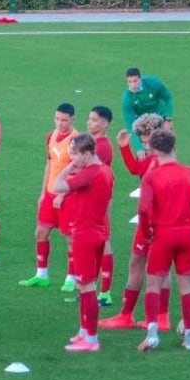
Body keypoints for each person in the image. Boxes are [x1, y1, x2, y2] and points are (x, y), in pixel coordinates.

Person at [136, 130, 190, 352]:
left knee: (153, 284)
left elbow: (143, 210)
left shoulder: (151, 177)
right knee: (187, 287)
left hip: (163, 235)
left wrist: (146, 233)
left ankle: (152, 334)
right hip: (186, 236)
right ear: (174, 147)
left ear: (153, 151)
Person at [100, 114, 170, 331]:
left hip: (159, 224)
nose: (147, 146)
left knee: (161, 269)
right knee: (136, 262)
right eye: (144, 142)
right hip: (146, 223)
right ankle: (127, 315)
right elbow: (135, 169)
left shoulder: (165, 164)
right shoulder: (151, 159)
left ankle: (161, 317)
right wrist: (124, 147)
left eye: (150, 141)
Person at [53, 134, 115, 352]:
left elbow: (57, 186)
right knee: (85, 285)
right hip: (98, 231)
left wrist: (68, 167)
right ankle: (84, 331)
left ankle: (91, 339)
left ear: (88, 153)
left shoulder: (90, 173)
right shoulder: (106, 171)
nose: (72, 158)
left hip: (85, 234)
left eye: (75, 154)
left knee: (86, 286)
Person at [19, 103, 78, 292]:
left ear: (72, 120)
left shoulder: (77, 140)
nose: (60, 123)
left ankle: (71, 278)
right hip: (50, 193)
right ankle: (42, 274)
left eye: (64, 120)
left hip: (67, 196)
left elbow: (77, 171)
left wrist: (62, 194)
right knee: (41, 232)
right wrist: (43, 192)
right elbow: (49, 164)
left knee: (70, 238)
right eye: (57, 119)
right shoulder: (50, 136)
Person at [86, 105, 115, 305]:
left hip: (99, 201)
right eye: (89, 118)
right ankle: (94, 290)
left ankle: (105, 293)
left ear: (104, 124)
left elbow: (94, 173)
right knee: (96, 245)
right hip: (91, 200)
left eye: (94, 120)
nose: (89, 122)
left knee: (104, 243)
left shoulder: (102, 146)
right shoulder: (93, 142)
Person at [122, 67, 174, 146]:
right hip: (142, 124)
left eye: (135, 81)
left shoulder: (153, 83)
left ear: (141, 78)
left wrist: (168, 119)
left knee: (167, 146)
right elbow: (129, 124)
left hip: (160, 118)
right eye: (129, 82)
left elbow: (168, 98)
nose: (133, 85)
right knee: (146, 150)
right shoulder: (127, 98)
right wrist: (139, 148)